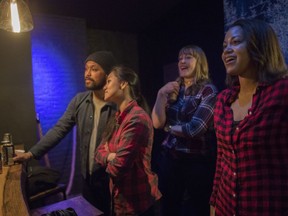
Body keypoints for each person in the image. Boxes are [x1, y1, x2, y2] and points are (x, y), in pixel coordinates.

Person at [13, 51, 117, 215]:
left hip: (113, 181)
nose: (87, 74)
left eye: (94, 69)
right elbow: (59, 129)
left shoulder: (118, 104)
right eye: (86, 69)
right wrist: (31, 154)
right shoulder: (80, 100)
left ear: (108, 74)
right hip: (88, 179)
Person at [209, 18, 288, 216]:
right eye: (225, 45)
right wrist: (214, 202)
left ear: (258, 45)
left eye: (235, 42)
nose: (226, 50)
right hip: (226, 207)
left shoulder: (282, 92)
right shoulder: (222, 101)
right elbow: (222, 159)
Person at [151, 45, 218, 216]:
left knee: (195, 209)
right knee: (169, 208)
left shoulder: (208, 90)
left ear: (200, 62)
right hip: (170, 158)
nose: (182, 61)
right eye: (180, 58)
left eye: (188, 57)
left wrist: (170, 127)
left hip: (195, 162)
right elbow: (157, 123)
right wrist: (160, 94)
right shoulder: (174, 89)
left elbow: (195, 129)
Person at [95, 65, 162, 216]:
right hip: (120, 202)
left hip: (138, 204)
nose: (104, 87)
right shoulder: (117, 117)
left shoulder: (136, 118)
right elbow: (98, 153)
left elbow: (118, 168)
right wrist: (111, 156)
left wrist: (110, 154)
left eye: (109, 81)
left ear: (123, 84)